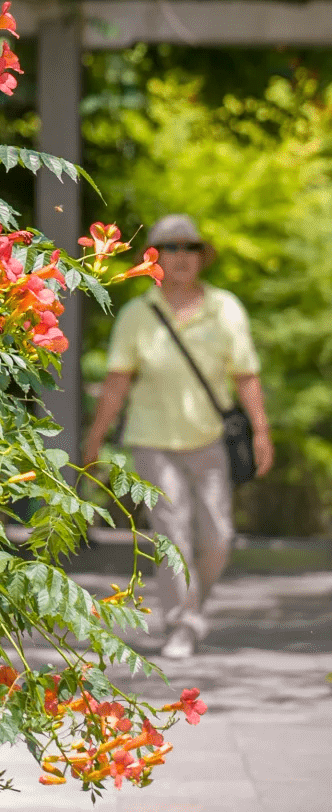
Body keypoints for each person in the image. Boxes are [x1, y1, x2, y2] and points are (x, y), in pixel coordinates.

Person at [82, 213, 274, 660]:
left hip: (209, 439)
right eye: (171, 248)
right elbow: (116, 383)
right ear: (155, 257)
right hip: (152, 441)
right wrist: (95, 437)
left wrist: (262, 431)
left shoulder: (225, 308)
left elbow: (245, 375)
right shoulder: (136, 314)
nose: (181, 257)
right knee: (173, 534)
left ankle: (189, 611)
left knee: (219, 538)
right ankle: (183, 621)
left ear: (201, 257)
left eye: (190, 248)